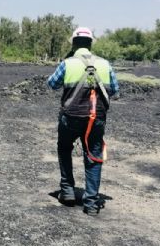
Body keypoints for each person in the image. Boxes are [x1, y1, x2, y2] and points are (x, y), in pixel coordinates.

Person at [47, 27, 119, 216]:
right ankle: (91, 204)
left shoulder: (68, 63)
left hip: (70, 117)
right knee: (93, 155)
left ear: (74, 43)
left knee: (64, 148)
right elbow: (115, 91)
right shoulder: (105, 64)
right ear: (91, 43)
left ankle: (68, 191)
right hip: (96, 119)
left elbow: (52, 84)